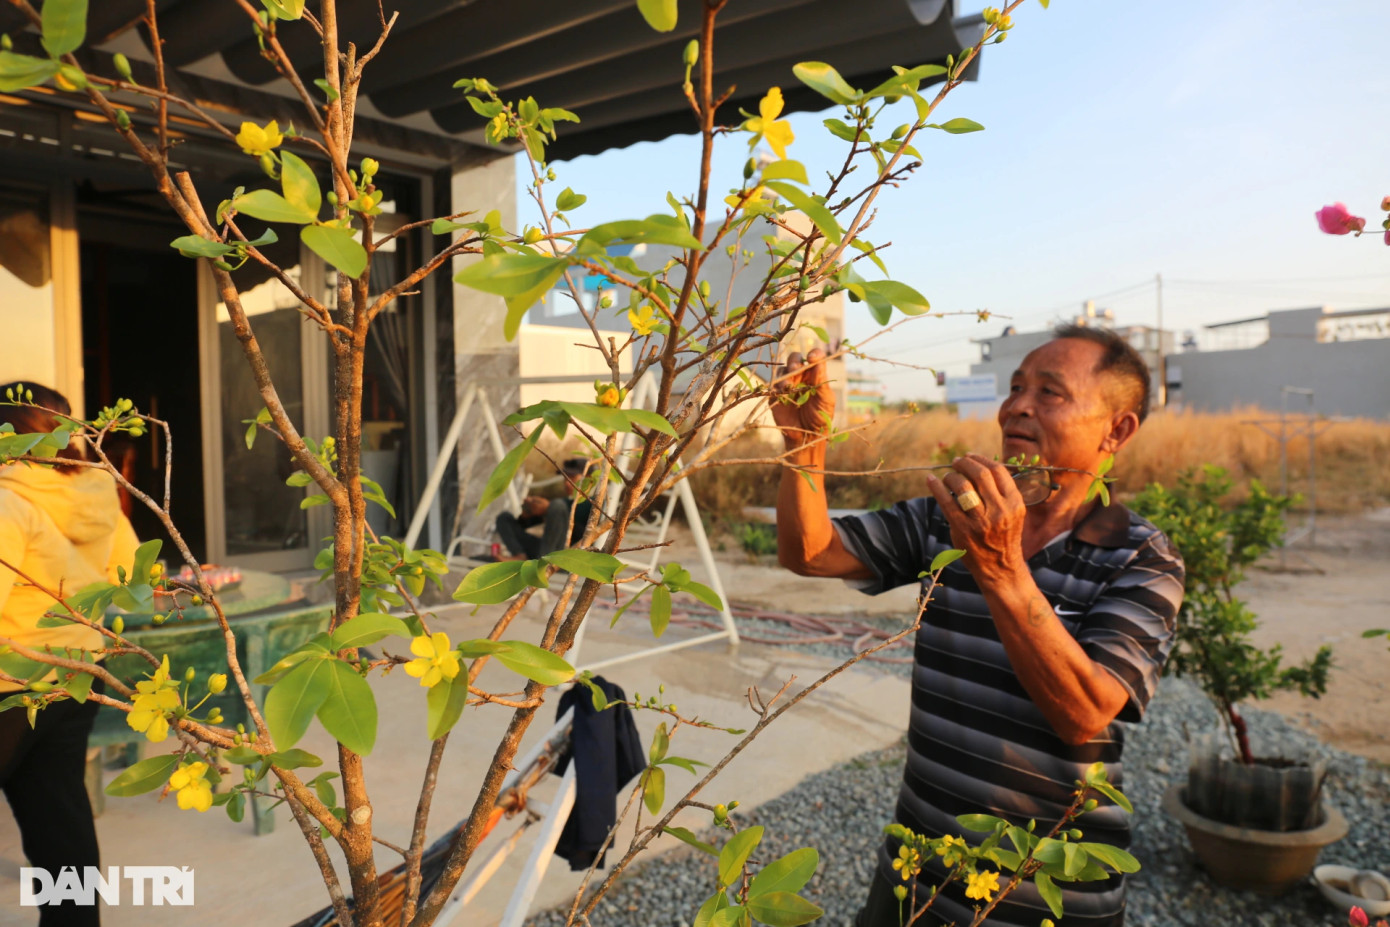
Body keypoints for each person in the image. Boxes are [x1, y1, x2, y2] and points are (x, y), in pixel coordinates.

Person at [773, 328, 1185, 926]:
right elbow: (810, 552)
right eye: (1017, 386)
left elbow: (1084, 712)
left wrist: (998, 564)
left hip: (1047, 899)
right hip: (914, 874)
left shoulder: (1142, 557)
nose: (1017, 405)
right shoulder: (951, 520)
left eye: (1051, 392)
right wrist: (804, 447)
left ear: (1116, 430)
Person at [0, 383, 139, 927]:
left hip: (12, 682)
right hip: (77, 674)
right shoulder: (98, 490)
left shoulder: (7, 498)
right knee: (59, 821)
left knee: (56, 816)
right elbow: (131, 582)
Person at [494, 457, 594, 560]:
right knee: (504, 518)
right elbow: (523, 525)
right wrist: (527, 514)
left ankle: (544, 565)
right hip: (546, 551)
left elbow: (584, 534)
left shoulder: (595, 505)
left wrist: (548, 508)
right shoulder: (563, 503)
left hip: (568, 557)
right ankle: (520, 555)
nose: (566, 483)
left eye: (572, 478)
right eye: (565, 478)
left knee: (557, 506)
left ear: (589, 478)